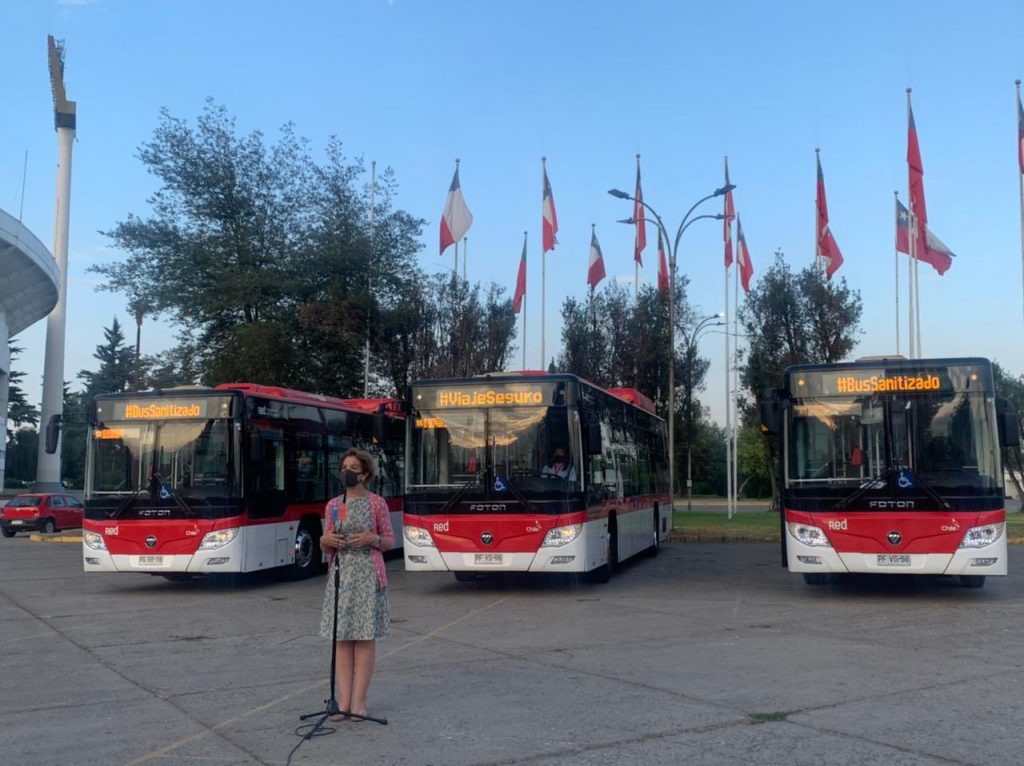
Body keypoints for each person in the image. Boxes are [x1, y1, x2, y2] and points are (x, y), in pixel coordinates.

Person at [318, 448, 394, 722]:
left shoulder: (377, 504)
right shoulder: (334, 504)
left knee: (363, 638)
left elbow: (389, 540)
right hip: (341, 576)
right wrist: (327, 542)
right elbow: (324, 539)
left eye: (353, 467)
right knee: (342, 639)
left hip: (367, 575)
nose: (347, 471)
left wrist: (371, 540)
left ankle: (360, 703)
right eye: (344, 466)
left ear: (364, 474)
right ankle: (344, 702)